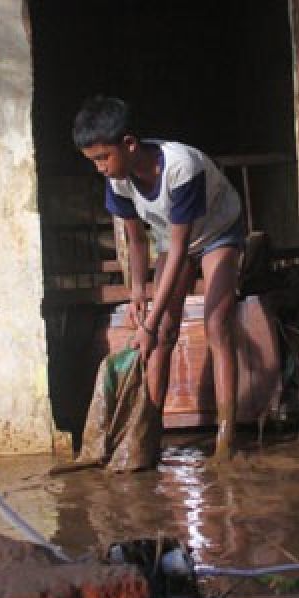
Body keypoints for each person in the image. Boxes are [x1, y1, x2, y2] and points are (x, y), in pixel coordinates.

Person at [73, 96, 245, 460]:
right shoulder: (118, 180)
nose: (100, 168)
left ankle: (226, 438)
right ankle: (146, 438)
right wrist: (138, 290)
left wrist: (146, 324)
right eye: (93, 162)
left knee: (216, 324)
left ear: (130, 144)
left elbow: (182, 250)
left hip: (216, 232)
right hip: (173, 238)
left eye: (103, 158)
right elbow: (136, 239)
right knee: (164, 331)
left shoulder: (181, 167)